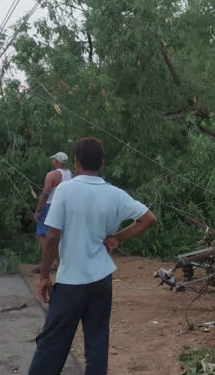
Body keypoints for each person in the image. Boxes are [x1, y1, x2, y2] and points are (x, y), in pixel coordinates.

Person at [29, 137, 157, 375]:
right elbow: (148, 219)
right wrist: (118, 237)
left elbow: (53, 236)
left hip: (70, 282)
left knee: (53, 343)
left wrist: (45, 275)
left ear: (76, 163)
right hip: (101, 279)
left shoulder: (66, 190)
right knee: (97, 343)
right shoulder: (115, 194)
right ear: (103, 163)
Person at [33, 152, 73, 265]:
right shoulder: (70, 174)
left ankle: (47, 262)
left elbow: (45, 194)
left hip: (50, 206)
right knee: (58, 236)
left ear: (56, 161)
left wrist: (37, 211)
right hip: (65, 207)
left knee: (43, 234)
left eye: (53, 160)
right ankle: (58, 261)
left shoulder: (52, 175)